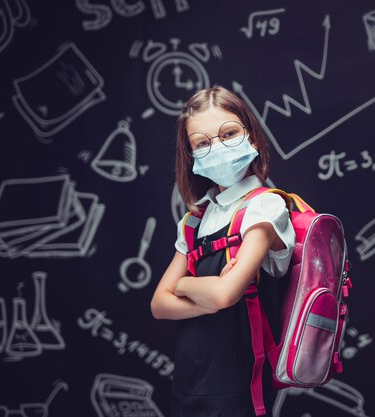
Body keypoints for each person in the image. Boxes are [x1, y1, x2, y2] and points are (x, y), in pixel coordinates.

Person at [151, 85, 295, 417]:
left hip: (240, 386)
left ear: (253, 137)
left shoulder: (265, 207)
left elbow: (224, 296)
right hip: (188, 381)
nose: (217, 148)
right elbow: (159, 305)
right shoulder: (194, 220)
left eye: (228, 133)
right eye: (202, 143)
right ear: (191, 154)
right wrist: (208, 294)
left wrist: (183, 286)